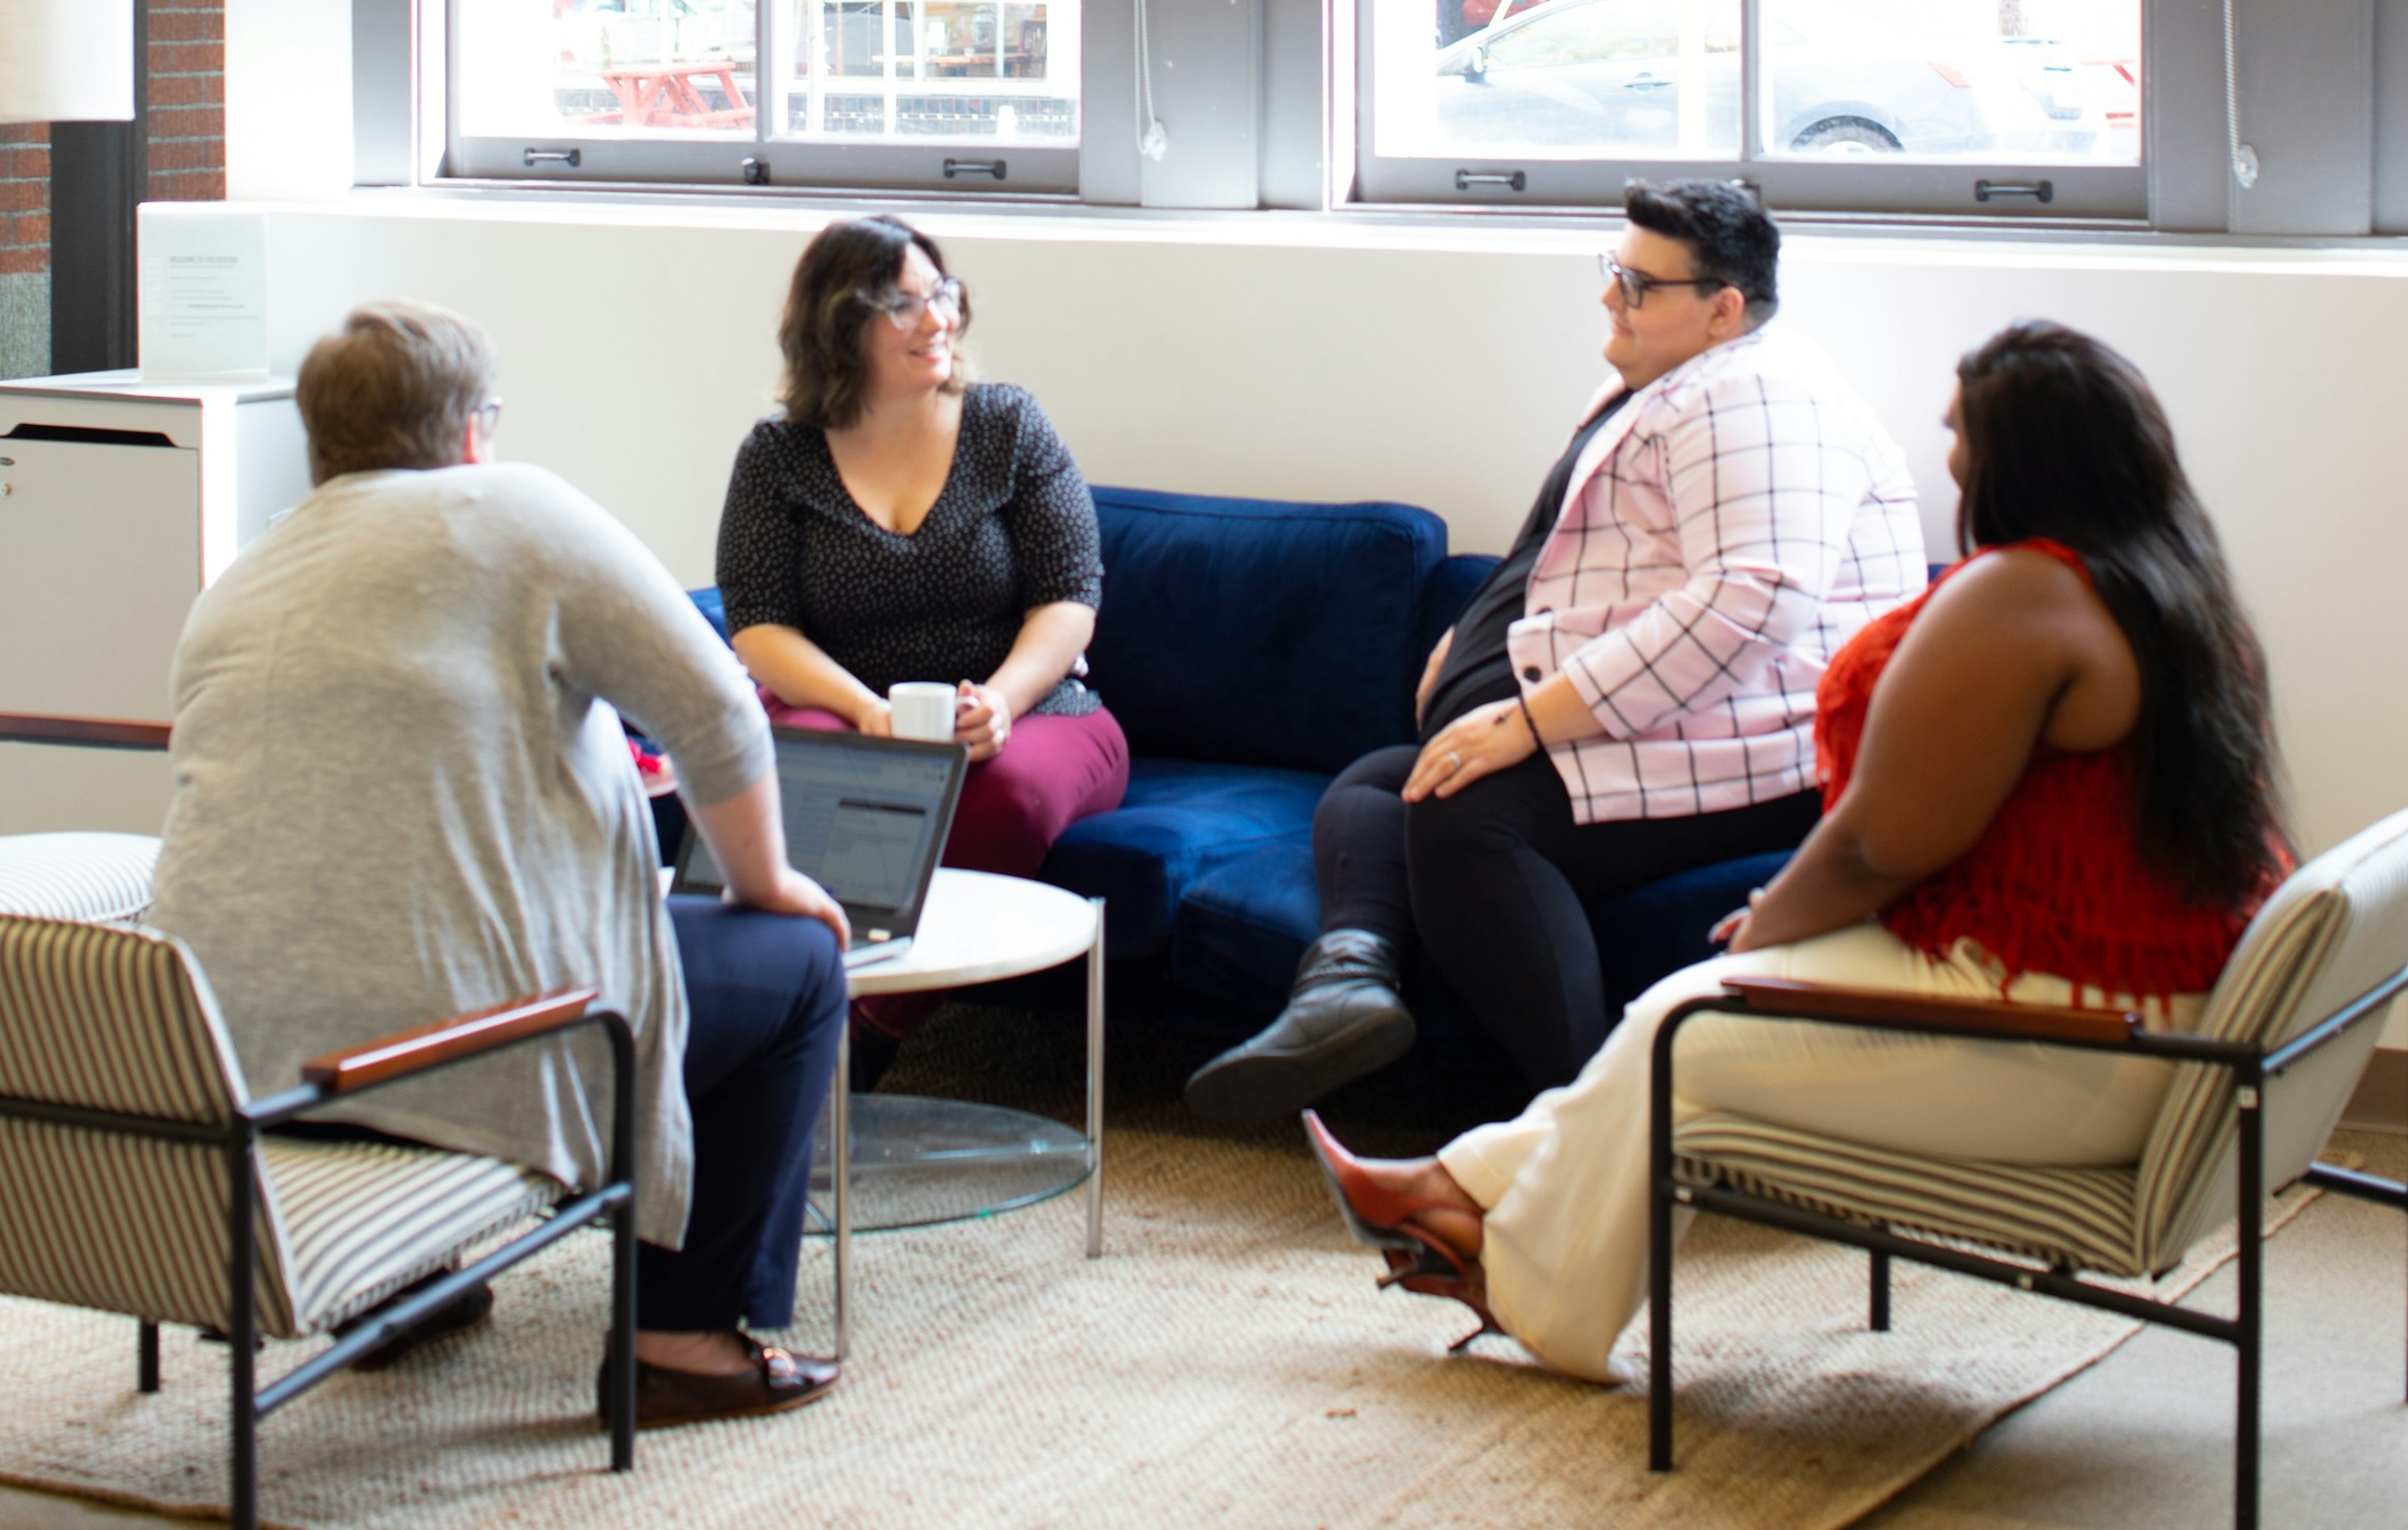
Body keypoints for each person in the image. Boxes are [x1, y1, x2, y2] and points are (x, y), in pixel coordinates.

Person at [1302, 320, 2291, 1385]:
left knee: (1687, 1027)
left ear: (2022, 454)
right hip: (2131, 997)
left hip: (2078, 1033)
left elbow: (1877, 841)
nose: (1947, 454)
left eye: (1960, 432)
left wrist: (1770, 926)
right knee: (1682, 1023)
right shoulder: (2171, 584)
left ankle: (1511, 1266)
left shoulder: (2025, 594)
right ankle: (1458, 1197)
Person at [148, 301, 853, 1429]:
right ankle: (680, 1336)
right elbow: (718, 708)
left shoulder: (246, 572)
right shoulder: (513, 508)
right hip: (450, 1058)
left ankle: (406, 1283)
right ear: (474, 429)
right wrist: (767, 882)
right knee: (796, 966)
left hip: (235, 1061)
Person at [1185, 180, 1925, 1121]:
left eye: (1638, 283)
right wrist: (1473, 642)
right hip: (1691, 721)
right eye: (1612, 271)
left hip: (1768, 746)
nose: (1610, 296)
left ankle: (1582, 1127)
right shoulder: (1670, 382)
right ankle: (1346, 983)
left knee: (1466, 814)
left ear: (1721, 308)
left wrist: (1531, 717)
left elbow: (1752, 604)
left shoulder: (1760, 399)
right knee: (1382, 781)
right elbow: (1594, 559)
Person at [715, 215, 1128, 1075]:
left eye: (941, 293)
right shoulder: (778, 456)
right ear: (839, 325)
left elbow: (1069, 597)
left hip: (1036, 709)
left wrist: (1002, 703)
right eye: (903, 305)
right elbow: (757, 622)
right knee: (810, 772)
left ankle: (861, 1031)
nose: (937, 320)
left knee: (1000, 792)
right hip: (846, 706)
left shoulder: (1006, 424)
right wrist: (863, 708)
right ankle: (785, 1011)